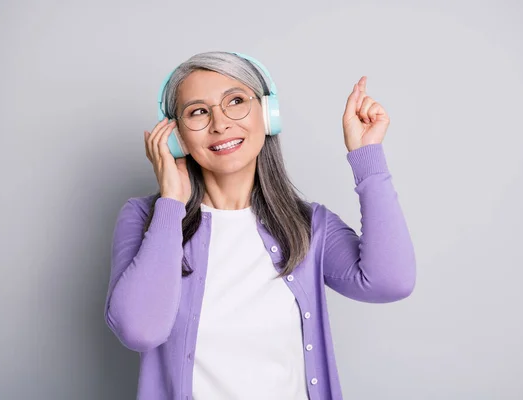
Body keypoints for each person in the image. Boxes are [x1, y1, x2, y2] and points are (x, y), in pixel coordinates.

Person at [103, 51, 416, 400]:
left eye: (235, 101)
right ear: (176, 136)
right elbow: (139, 330)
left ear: (268, 115)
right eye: (198, 112)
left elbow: (392, 282)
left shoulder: (308, 226)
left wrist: (366, 155)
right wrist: (171, 203)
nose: (220, 124)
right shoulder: (148, 218)